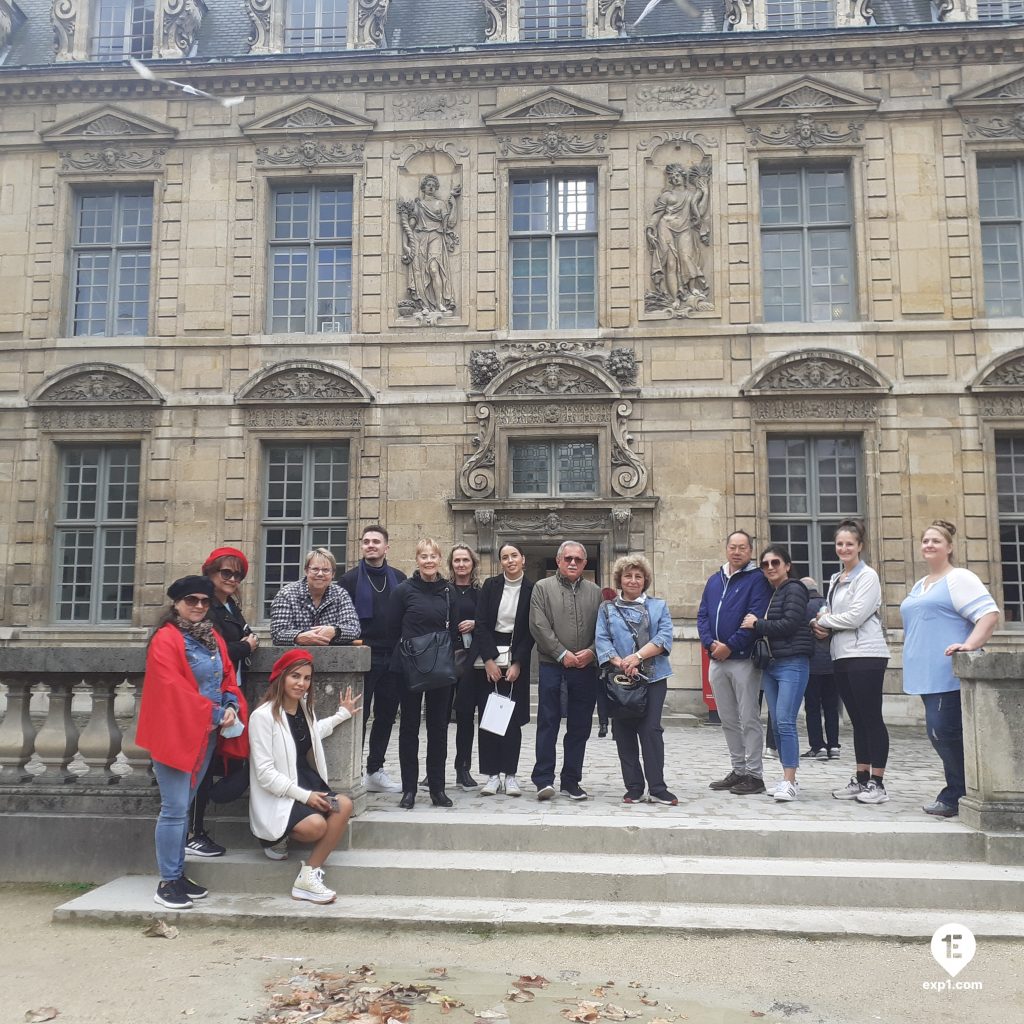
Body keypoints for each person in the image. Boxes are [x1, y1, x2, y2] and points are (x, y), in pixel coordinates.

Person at [137, 575, 248, 911]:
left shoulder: (210, 634)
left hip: (204, 733)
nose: (199, 606)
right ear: (176, 604)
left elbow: (227, 673)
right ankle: (167, 881)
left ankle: (177, 874)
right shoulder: (165, 639)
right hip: (175, 733)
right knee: (173, 810)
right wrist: (216, 713)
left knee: (182, 806)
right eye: (191, 601)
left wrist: (230, 703)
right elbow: (172, 689)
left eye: (204, 601)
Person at [900, 520, 1000, 817]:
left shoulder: (959, 578)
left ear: (949, 547)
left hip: (947, 672)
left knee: (942, 732)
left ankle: (957, 793)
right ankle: (960, 790)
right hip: (925, 674)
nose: (929, 545)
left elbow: (989, 615)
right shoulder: (922, 584)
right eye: (925, 540)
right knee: (941, 733)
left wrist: (969, 645)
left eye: (936, 541)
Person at [248, 649, 358, 904]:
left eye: (307, 678)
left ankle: (308, 875)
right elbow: (265, 774)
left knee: (344, 805)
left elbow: (310, 734)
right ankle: (275, 839)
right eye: (295, 676)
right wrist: (305, 797)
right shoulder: (262, 716)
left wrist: (342, 714)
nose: (301, 683)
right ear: (281, 677)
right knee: (316, 827)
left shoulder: (303, 710)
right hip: (281, 793)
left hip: (305, 783)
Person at [184, 546, 259, 859]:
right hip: (209, 697)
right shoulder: (205, 608)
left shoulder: (230, 606)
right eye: (225, 572)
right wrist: (245, 646)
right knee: (204, 764)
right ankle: (193, 832)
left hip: (231, 692)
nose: (232, 578)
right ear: (210, 573)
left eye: (237, 574)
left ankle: (196, 826)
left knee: (230, 760)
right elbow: (213, 651)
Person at [812, 520, 892, 805]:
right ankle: (860, 778)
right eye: (839, 544)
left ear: (860, 546)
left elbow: (856, 616)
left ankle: (878, 783)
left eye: (849, 544)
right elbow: (830, 610)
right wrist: (822, 621)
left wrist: (825, 621)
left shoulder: (867, 576)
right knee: (857, 721)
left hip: (867, 654)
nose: (844, 548)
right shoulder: (836, 578)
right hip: (842, 654)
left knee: (871, 718)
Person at [595, 555, 676, 805]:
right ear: (620, 579)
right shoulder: (607, 609)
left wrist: (637, 657)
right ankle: (634, 787)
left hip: (653, 677)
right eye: (628, 576)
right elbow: (602, 639)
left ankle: (658, 787)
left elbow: (664, 638)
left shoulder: (659, 606)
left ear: (645, 580)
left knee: (651, 730)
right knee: (624, 731)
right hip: (619, 678)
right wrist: (621, 663)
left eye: (638, 576)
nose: (633, 580)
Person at [697, 530, 773, 796]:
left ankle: (754, 774)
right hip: (716, 660)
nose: (737, 551)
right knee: (727, 718)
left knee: (748, 717)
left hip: (742, 660)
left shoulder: (757, 580)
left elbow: (754, 618)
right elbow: (703, 615)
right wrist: (710, 645)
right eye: (733, 547)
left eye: (742, 547)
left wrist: (729, 646)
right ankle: (738, 769)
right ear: (726, 548)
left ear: (750, 551)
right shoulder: (714, 580)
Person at [529, 540, 603, 801]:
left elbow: (603, 628)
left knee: (580, 727)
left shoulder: (595, 592)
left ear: (584, 563)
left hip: (585, 669)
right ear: (559, 561)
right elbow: (538, 625)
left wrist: (592, 651)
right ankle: (543, 779)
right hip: (552, 667)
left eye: (578, 559)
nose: (573, 563)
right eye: (568, 558)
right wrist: (562, 653)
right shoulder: (542, 588)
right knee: (548, 724)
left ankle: (571, 781)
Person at [389, 538, 459, 809]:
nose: (429, 561)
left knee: (438, 729)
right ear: (417, 560)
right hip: (409, 667)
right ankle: (409, 789)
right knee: (408, 728)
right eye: (423, 556)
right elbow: (392, 627)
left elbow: (452, 631)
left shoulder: (448, 591)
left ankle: (437, 789)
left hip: (439, 666)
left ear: (440, 559)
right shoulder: (404, 591)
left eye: (433, 556)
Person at [338, 525, 406, 795]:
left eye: (376, 541)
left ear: (386, 547)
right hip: (362, 657)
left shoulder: (400, 579)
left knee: (386, 716)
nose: (370, 545)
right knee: (358, 715)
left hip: (392, 658)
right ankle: (352, 769)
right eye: (366, 541)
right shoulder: (349, 580)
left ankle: (375, 769)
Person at [742, 546, 813, 802]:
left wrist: (757, 624)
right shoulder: (773, 593)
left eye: (775, 562)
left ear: (787, 565)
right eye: (765, 564)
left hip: (792, 662)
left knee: (784, 721)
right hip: (772, 665)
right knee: (777, 723)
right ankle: (786, 777)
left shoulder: (794, 589)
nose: (770, 567)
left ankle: (790, 780)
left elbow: (790, 623)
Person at [472, 542, 536, 797]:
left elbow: (532, 629)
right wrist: (488, 660)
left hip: (516, 656)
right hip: (488, 658)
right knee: (489, 720)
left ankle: (510, 775)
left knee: (511, 721)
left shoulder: (533, 589)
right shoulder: (490, 586)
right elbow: (481, 624)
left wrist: (518, 663)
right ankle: (491, 775)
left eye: (514, 556)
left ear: (523, 559)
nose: (510, 561)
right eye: (505, 557)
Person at [270, 548, 360, 648]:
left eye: (325, 570)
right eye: (315, 569)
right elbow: (278, 633)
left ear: (333, 574)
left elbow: (354, 629)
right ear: (306, 571)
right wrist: (298, 637)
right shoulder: (286, 594)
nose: (320, 574)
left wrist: (335, 631)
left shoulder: (341, 595)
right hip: (297, 660)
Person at [449, 544, 482, 791]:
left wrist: (476, 623)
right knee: (437, 719)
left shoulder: (480, 593)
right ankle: (434, 769)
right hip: (444, 660)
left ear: (473, 564)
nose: (461, 564)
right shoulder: (443, 591)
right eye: (457, 560)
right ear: (451, 564)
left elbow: (490, 623)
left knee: (465, 718)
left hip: (471, 663)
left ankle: (464, 769)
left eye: (465, 560)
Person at [801, 576, 839, 760]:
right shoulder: (829, 605)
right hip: (832, 664)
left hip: (811, 665)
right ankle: (834, 746)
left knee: (813, 707)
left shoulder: (802, 606)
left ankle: (818, 746)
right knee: (831, 707)